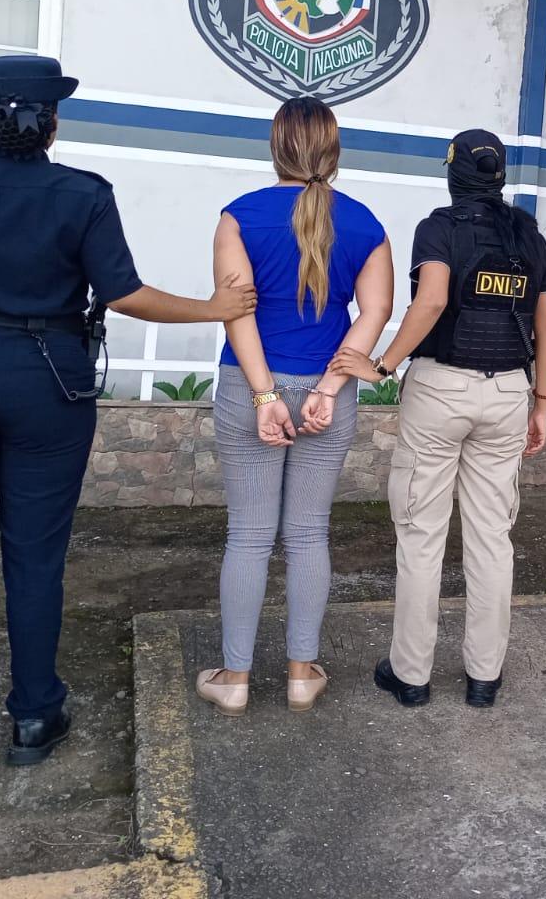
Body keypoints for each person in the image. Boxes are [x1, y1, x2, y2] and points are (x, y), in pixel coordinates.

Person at [0, 54, 257, 774]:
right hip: (46, 377)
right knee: (34, 555)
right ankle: (33, 716)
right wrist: (213, 308)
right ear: (50, 124)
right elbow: (123, 294)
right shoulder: (82, 194)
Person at [332, 129, 546, 709]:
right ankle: (484, 677)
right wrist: (542, 404)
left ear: (453, 173)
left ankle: (411, 676)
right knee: (491, 538)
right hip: (508, 392)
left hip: (441, 391)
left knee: (421, 534)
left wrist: (381, 365)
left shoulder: (439, 228)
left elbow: (430, 301)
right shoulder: (529, 236)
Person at [194, 97, 393, 717]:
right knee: (309, 534)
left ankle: (235, 679)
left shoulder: (239, 216)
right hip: (329, 389)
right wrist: (328, 388)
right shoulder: (365, 223)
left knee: (249, 535)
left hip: (249, 385)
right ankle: (302, 675)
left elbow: (236, 311)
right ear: (334, 152)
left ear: (276, 147)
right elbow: (376, 312)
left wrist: (264, 395)